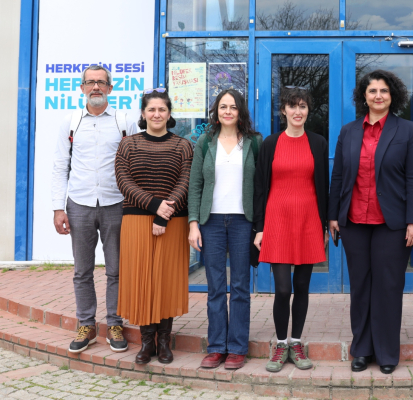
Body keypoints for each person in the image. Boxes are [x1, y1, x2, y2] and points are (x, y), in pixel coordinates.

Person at [328, 70, 413, 375]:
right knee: (360, 287)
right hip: (354, 221)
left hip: (391, 224)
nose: (378, 96)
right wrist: (333, 215)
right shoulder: (348, 131)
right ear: (364, 96)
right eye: (372, 91)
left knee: (388, 287)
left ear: (392, 95)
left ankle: (386, 353)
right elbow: (338, 176)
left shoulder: (408, 130)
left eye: (384, 90)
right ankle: (361, 350)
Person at [51, 64, 136, 354]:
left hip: (116, 204)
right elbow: (60, 166)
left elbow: (135, 164)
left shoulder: (125, 121)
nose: (96, 87)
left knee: (116, 270)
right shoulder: (71, 122)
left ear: (110, 88)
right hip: (79, 204)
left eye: (101, 82)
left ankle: (114, 324)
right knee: (82, 271)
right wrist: (57, 208)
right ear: (82, 88)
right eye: (90, 82)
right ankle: (86, 325)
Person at [115, 89, 194, 365]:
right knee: (141, 279)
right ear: (143, 113)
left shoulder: (183, 145)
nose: (157, 114)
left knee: (165, 279)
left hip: (173, 221)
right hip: (136, 220)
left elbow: (186, 181)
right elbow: (123, 180)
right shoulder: (128, 144)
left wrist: (163, 215)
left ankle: (164, 342)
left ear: (169, 114)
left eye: (162, 109)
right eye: (152, 109)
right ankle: (146, 342)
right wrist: (153, 206)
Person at [253, 88, 329, 373]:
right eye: (292, 106)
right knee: (283, 289)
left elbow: (323, 186)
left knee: (302, 287)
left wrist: (324, 224)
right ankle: (280, 344)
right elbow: (260, 188)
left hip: (308, 221)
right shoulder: (270, 143)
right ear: (283, 110)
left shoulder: (318, 143)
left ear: (308, 110)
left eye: (303, 106)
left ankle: (296, 343)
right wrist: (259, 228)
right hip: (277, 221)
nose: (298, 111)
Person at [188, 88, 262, 371]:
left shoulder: (254, 142)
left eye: (233, 107)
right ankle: (217, 346)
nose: (228, 111)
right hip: (212, 222)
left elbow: (261, 187)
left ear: (240, 111)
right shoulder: (205, 142)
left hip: (243, 221)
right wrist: (193, 224)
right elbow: (195, 185)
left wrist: (260, 226)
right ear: (216, 112)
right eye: (223, 107)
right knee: (216, 287)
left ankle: (238, 348)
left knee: (241, 286)